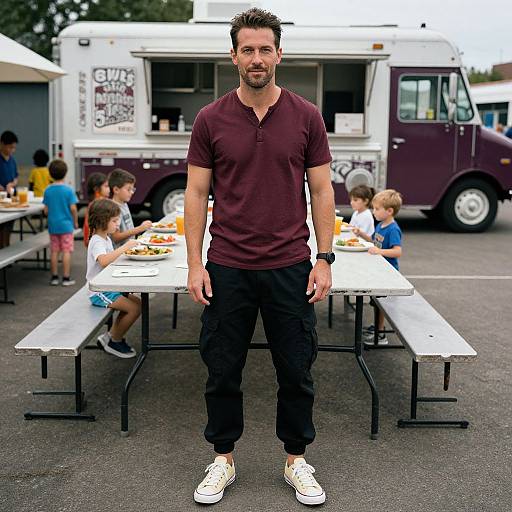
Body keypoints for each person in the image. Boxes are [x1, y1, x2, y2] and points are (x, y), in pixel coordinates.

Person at [186, 8, 334, 506]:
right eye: (247, 49)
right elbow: (195, 194)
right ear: (233, 56)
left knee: (296, 368)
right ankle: (223, 459)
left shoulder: (306, 116)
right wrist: (194, 263)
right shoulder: (210, 119)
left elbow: (321, 191)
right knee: (222, 367)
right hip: (228, 265)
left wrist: (325, 257)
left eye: (264, 49)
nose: (256, 58)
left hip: (290, 265)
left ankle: (296, 459)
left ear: (279, 54)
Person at [86, 198, 141, 358]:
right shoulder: (97, 241)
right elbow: (103, 261)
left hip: (108, 287)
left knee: (138, 303)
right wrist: (124, 248)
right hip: (98, 292)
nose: (118, 224)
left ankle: (110, 336)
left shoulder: (105, 238)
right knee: (134, 308)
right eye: (115, 220)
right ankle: (113, 341)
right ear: (103, 221)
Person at [353, 189, 403, 345]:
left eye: (376, 209)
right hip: (380, 270)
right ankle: (377, 327)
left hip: (388, 273)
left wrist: (379, 251)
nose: (373, 212)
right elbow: (374, 241)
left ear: (389, 211)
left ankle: (380, 335)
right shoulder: (381, 225)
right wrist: (361, 234)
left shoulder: (393, 229)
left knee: (380, 303)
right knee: (375, 301)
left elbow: (397, 251)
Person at [43, 159, 79, 286]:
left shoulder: (47, 190)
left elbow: (46, 210)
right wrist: (75, 221)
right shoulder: (68, 190)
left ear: (50, 174)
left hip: (53, 226)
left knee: (54, 251)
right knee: (66, 251)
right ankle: (66, 278)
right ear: (65, 173)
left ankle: (54, 277)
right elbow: (73, 208)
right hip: (66, 225)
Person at [108, 168, 152, 248]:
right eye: (128, 189)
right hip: (120, 255)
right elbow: (116, 237)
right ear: (116, 190)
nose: (131, 192)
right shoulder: (114, 209)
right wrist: (140, 228)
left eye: (133, 189)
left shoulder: (124, 204)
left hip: (129, 249)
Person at [0, 131, 19, 248]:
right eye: (10, 147)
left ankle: (6, 246)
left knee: (9, 225)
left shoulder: (12, 160)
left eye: (13, 147)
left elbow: (16, 176)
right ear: (2, 144)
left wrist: (12, 183)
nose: (12, 150)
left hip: (10, 196)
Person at [83, 172, 110, 247]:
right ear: (96, 189)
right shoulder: (98, 205)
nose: (109, 189)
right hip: (98, 243)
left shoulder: (95, 203)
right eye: (106, 186)